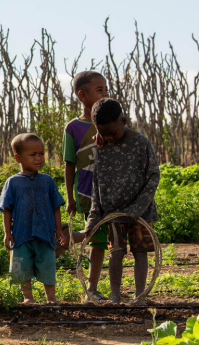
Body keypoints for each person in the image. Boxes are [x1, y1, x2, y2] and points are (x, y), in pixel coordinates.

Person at [73, 98, 160, 305]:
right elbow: (97, 184)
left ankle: (140, 296)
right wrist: (93, 220)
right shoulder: (101, 146)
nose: (110, 137)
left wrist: (137, 208)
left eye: (113, 132)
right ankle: (115, 295)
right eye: (104, 134)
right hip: (112, 213)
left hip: (141, 213)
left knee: (140, 252)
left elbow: (153, 176)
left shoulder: (140, 143)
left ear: (124, 120)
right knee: (116, 253)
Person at [0, 133, 67, 304]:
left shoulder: (47, 181)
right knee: (22, 266)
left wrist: (58, 230)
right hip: (21, 234)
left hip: (45, 234)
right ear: (18, 158)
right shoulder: (13, 183)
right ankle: (28, 298)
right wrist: (7, 233)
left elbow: (56, 207)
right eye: (33, 155)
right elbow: (6, 209)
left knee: (48, 265)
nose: (39, 158)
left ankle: (51, 298)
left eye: (41, 154)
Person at [62, 70, 110, 303]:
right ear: (82, 95)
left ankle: (98, 288)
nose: (105, 93)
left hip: (112, 191)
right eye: (99, 90)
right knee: (96, 238)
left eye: (105, 89)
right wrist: (70, 198)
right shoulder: (74, 128)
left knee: (106, 240)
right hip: (87, 192)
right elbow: (69, 165)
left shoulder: (113, 122)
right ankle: (91, 288)